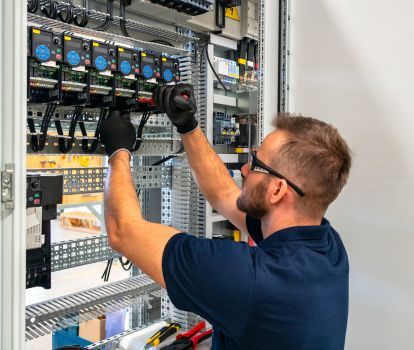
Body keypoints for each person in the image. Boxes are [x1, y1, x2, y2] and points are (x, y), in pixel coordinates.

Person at [99, 84, 352, 350]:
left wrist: (118, 153)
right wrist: (188, 125)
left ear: (278, 190)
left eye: (256, 164)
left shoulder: (253, 280)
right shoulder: (328, 246)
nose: (244, 169)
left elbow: (122, 230)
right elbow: (224, 194)